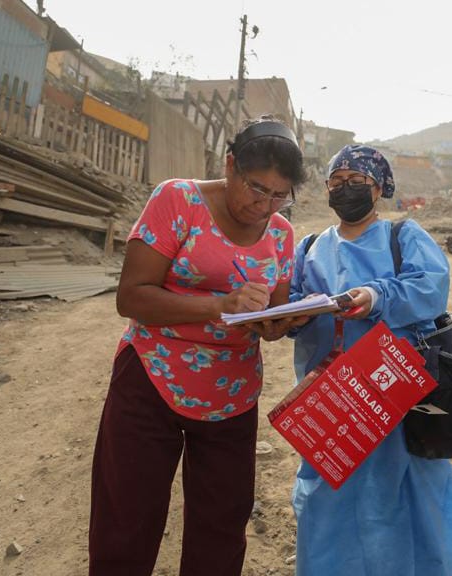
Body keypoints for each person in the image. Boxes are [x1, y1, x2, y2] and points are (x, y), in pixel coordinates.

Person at [89, 118, 308, 576]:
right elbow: (131, 297)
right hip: (151, 378)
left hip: (232, 396)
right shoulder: (178, 201)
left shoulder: (282, 234)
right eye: (255, 187)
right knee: (126, 520)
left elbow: (272, 319)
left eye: (278, 195)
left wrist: (283, 321)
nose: (263, 204)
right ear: (229, 165)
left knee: (221, 529)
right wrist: (218, 306)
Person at [288, 145, 452, 575]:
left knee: (412, 497)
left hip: (394, 396)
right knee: (328, 497)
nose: (344, 188)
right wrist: (295, 314)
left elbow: (430, 290)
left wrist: (375, 296)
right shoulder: (310, 246)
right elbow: (291, 304)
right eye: (336, 181)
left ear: (380, 188)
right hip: (331, 401)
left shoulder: (403, 236)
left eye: (357, 181)